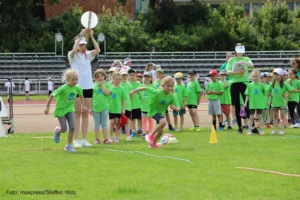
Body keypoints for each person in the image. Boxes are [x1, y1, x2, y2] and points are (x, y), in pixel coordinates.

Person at [68, 28, 100, 148]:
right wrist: (80, 35)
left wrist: (91, 36)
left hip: (88, 86)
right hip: (77, 87)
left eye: (83, 45)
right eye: (80, 45)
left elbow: (97, 50)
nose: (82, 47)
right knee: (77, 113)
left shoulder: (87, 55)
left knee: (85, 113)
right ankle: (76, 139)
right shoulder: (72, 56)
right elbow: (73, 50)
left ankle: (84, 139)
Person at [130, 76, 180, 148]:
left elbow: (178, 107)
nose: (169, 88)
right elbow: (146, 88)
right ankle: (150, 135)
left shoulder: (172, 96)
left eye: (171, 86)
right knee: (163, 122)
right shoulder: (158, 92)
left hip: (161, 113)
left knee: (160, 132)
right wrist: (133, 91)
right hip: (153, 111)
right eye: (168, 86)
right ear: (163, 86)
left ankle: (152, 144)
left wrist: (174, 107)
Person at [44, 69, 87, 152]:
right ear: (67, 80)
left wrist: (83, 105)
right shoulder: (63, 88)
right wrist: (47, 107)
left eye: (76, 79)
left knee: (72, 127)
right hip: (61, 110)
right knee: (64, 129)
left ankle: (68, 145)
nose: (75, 81)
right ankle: (57, 130)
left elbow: (81, 95)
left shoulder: (78, 88)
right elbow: (52, 95)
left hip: (70, 109)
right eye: (73, 80)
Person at [226, 43, 254, 134]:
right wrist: (237, 72)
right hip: (234, 83)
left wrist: (243, 62)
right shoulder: (231, 60)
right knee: (237, 105)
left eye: (241, 52)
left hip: (244, 83)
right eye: (238, 51)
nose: (240, 54)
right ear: (235, 51)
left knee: (248, 104)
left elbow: (252, 65)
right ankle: (239, 127)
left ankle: (251, 126)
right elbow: (228, 71)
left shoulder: (246, 58)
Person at [267, 68, 299, 135]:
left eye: (277, 74)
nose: (276, 76)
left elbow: (291, 90)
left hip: (282, 103)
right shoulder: (271, 84)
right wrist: (270, 94)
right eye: (275, 74)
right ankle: (275, 130)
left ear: (281, 75)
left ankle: (282, 130)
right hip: (274, 103)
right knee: (275, 117)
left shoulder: (284, 84)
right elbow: (267, 91)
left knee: (282, 117)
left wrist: (286, 95)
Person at [90, 69, 111, 144]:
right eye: (98, 76)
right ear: (95, 78)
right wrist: (90, 107)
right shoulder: (93, 85)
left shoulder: (107, 84)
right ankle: (97, 139)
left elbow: (107, 93)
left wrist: (102, 86)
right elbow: (91, 97)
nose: (100, 78)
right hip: (95, 108)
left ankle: (105, 138)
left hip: (104, 107)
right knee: (96, 124)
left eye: (101, 76)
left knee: (104, 124)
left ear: (104, 77)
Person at [244, 70, 266, 135]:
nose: (254, 78)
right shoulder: (249, 85)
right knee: (251, 117)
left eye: (256, 76)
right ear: (251, 77)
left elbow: (265, 93)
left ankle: (261, 130)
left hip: (259, 104)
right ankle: (249, 130)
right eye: (253, 76)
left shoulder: (261, 85)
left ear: (259, 77)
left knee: (259, 117)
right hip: (252, 104)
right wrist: (245, 103)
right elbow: (247, 95)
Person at [108, 72, 126, 142]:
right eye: (116, 79)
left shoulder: (121, 89)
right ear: (113, 79)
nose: (117, 81)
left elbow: (124, 99)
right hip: (111, 108)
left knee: (117, 123)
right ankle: (111, 136)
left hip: (118, 109)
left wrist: (123, 109)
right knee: (112, 123)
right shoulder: (110, 88)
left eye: (119, 79)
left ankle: (117, 137)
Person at [128, 69, 143, 137]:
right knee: (132, 118)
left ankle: (140, 130)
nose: (132, 76)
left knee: (139, 118)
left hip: (138, 104)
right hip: (131, 105)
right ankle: (133, 130)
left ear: (136, 76)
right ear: (128, 76)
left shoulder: (138, 84)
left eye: (133, 75)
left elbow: (141, 94)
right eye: (130, 75)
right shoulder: (128, 84)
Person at [139, 72, 155, 136]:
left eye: (148, 77)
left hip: (150, 106)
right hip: (143, 106)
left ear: (151, 78)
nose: (146, 78)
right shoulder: (141, 86)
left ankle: (151, 133)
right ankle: (144, 132)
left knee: (150, 120)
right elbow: (137, 92)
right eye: (145, 77)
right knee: (144, 120)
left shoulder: (153, 86)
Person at [120, 70, 133, 141]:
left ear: (127, 76)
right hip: (119, 106)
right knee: (118, 121)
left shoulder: (129, 85)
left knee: (127, 121)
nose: (124, 77)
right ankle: (118, 136)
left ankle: (128, 136)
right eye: (122, 75)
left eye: (125, 75)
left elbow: (131, 96)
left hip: (127, 106)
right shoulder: (119, 85)